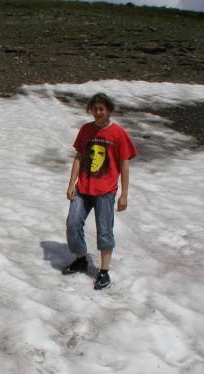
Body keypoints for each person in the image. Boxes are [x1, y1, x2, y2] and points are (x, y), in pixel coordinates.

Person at [62, 93, 138, 290]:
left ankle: (103, 272)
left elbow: (124, 164)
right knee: (72, 223)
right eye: (95, 109)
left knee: (104, 230)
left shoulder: (118, 134)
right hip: (84, 187)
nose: (98, 113)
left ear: (108, 110)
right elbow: (79, 156)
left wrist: (124, 194)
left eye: (101, 109)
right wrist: (71, 184)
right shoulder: (86, 130)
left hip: (105, 190)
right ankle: (81, 259)